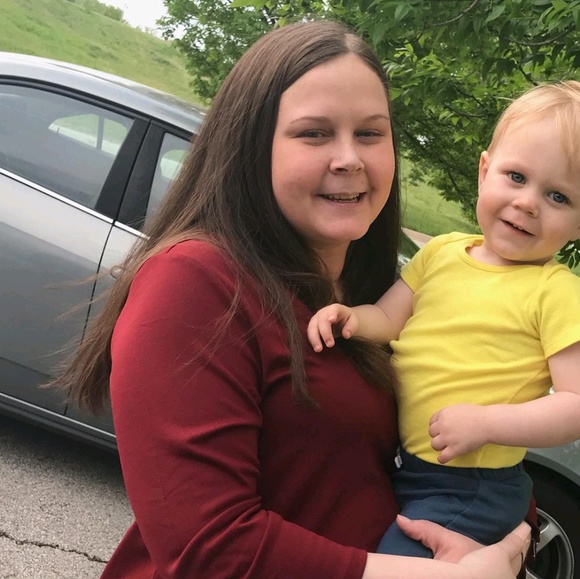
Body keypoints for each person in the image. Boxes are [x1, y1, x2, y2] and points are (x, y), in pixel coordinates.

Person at [58, 19, 532, 578]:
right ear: (252, 146)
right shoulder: (194, 282)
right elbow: (207, 550)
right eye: (314, 133)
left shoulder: (377, 298)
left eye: (371, 133)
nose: (349, 158)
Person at [308, 80, 580, 558]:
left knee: (398, 565)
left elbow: (574, 405)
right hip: (405, 463)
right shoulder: (442, 252)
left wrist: (488, 423)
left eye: (558, 197)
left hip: (472, 486)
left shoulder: (556, 292)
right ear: (484, 171)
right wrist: (350, 318)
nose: (527, 203)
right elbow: (389, 317)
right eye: (516, 176)